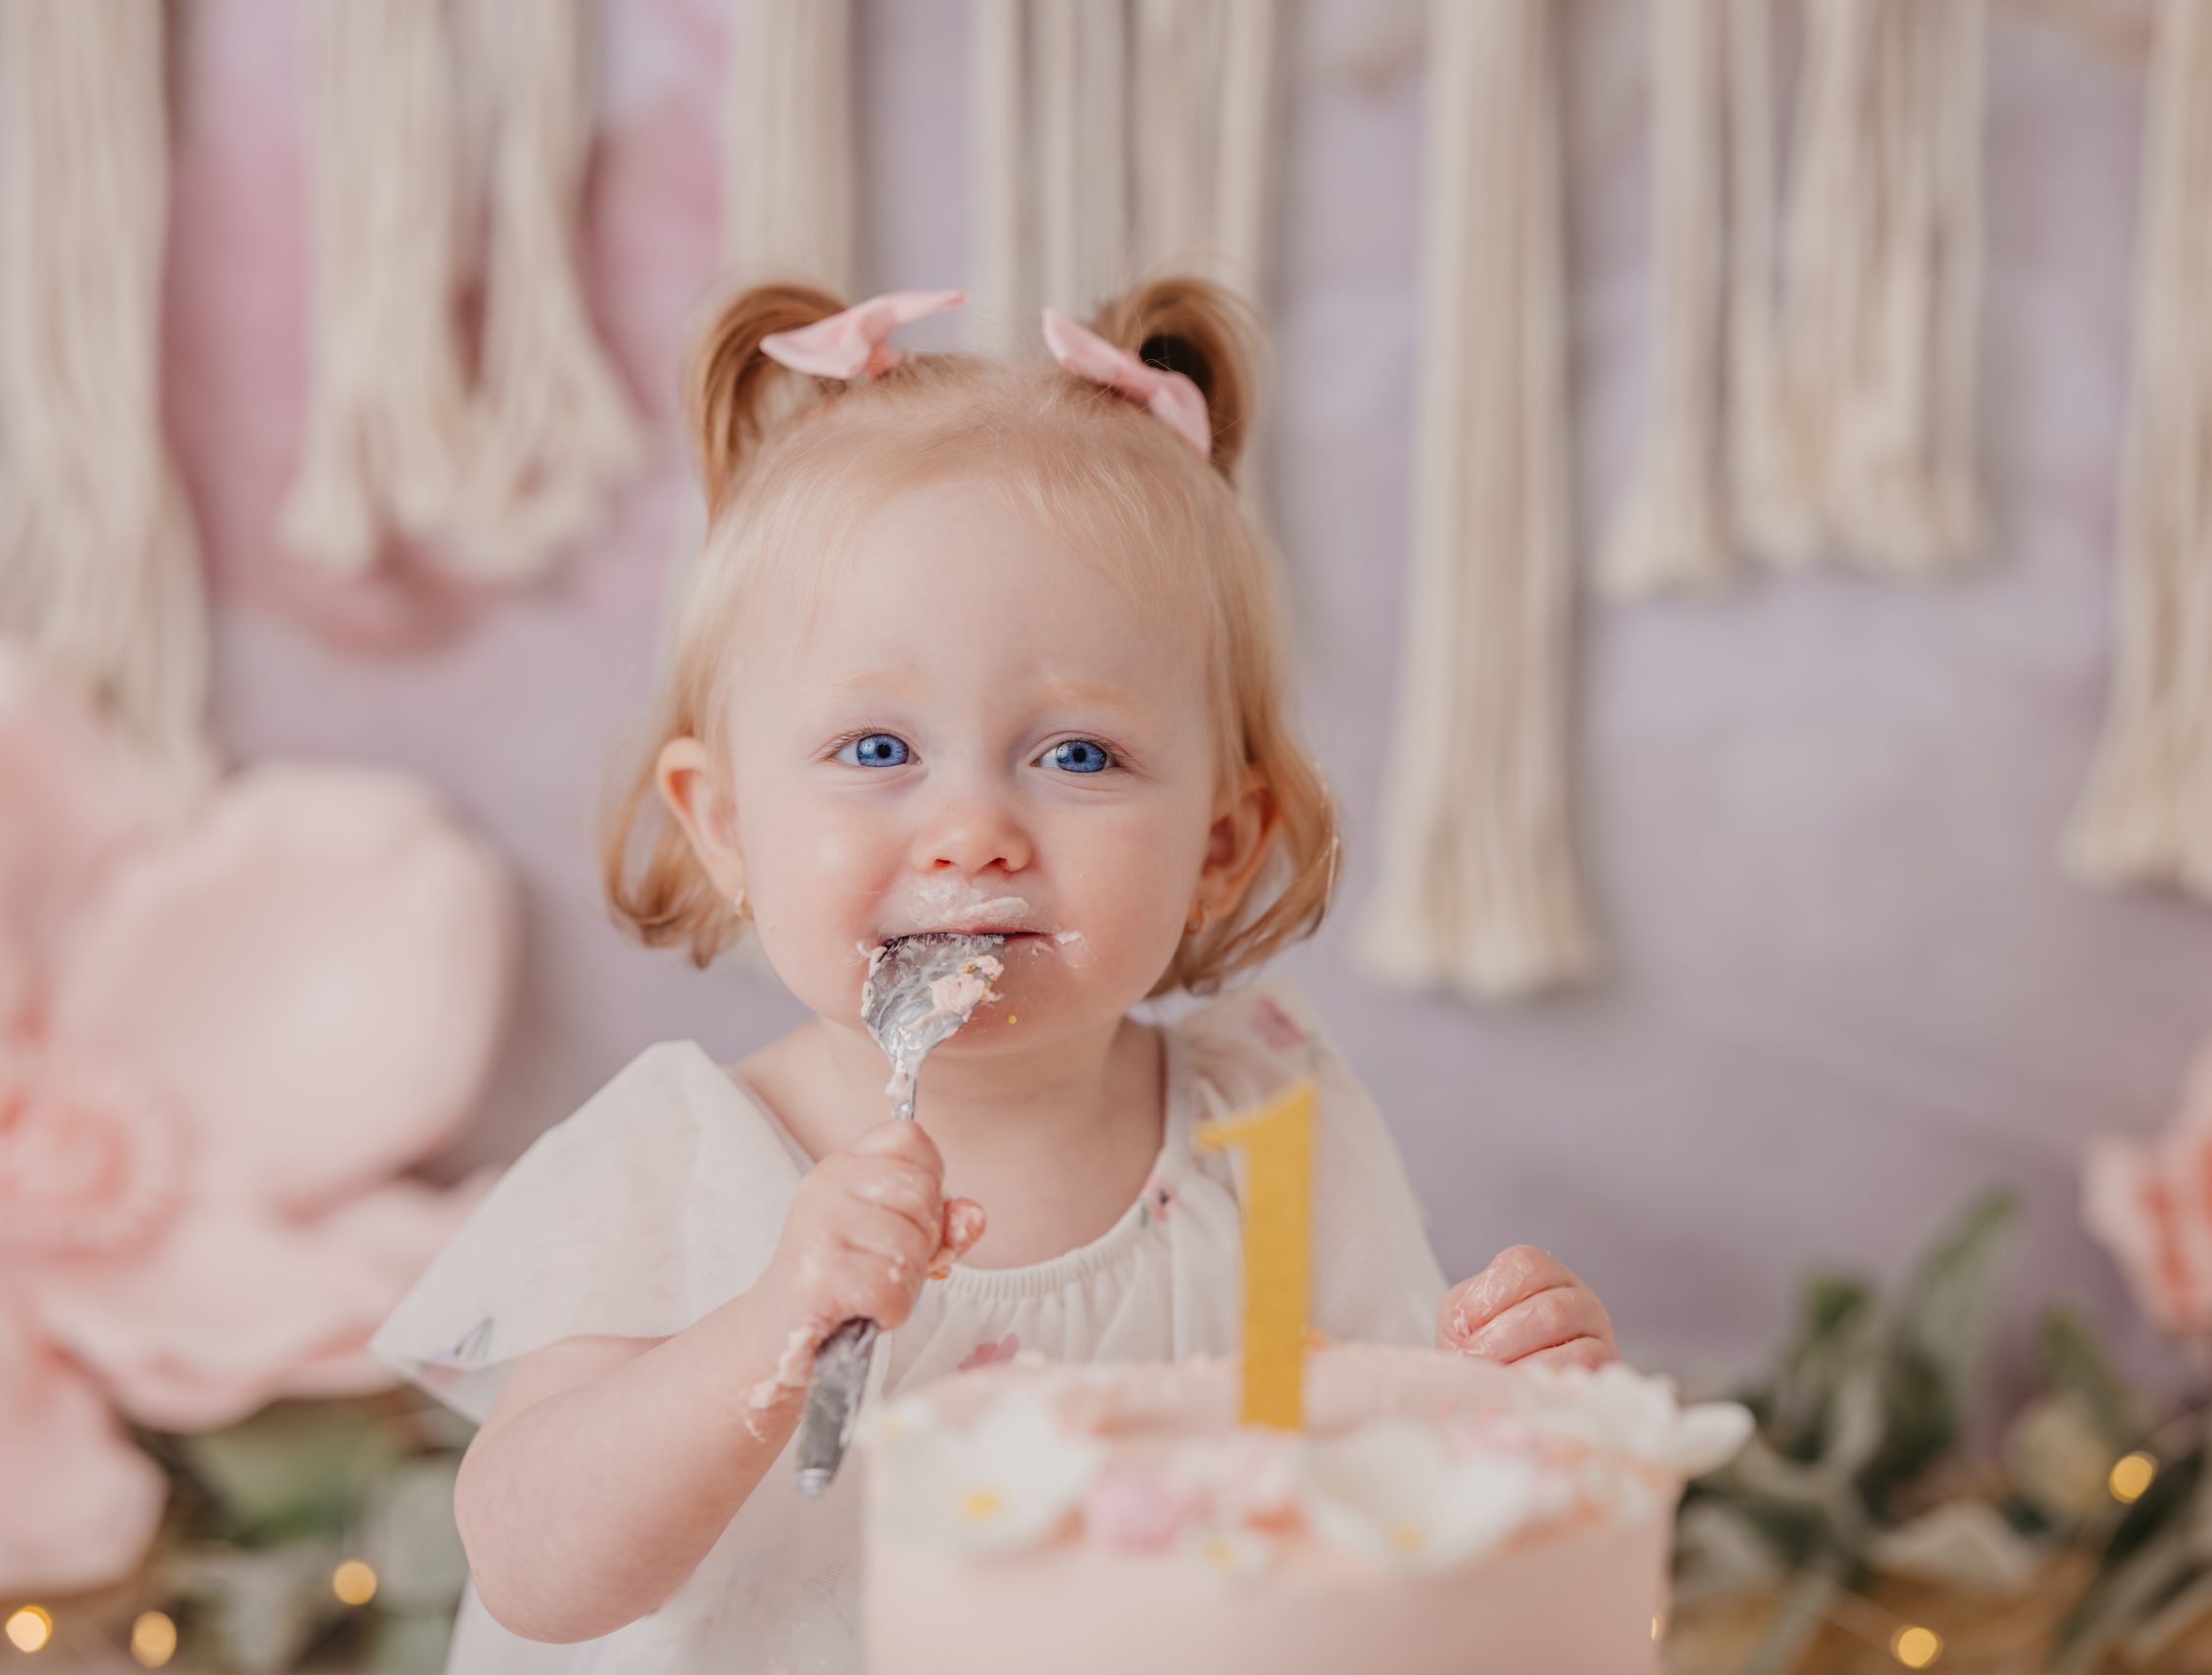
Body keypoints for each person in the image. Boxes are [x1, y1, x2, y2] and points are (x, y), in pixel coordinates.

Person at [372, 277, 1621, 1675]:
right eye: (877, 751)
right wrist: (767, 1326)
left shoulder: (1264, 1138)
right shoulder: (677, 1164)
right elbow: (539, 1571)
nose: (971, 835)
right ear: (726, 827)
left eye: (1076, 756)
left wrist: (1510, 1410)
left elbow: (1336, 1472)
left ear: (1220, 844)